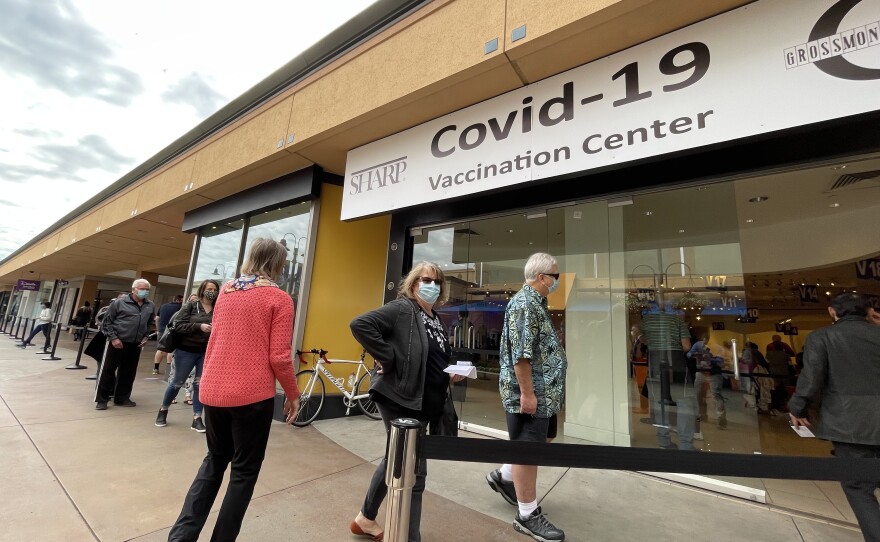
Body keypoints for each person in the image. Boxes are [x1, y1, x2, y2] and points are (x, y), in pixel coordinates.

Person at [168, 238, 299, 542]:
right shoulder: (279, 298)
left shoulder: (225, 292)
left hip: (213, 390)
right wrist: (293, 393)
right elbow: (279, 356)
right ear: (278, 264)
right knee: (243, 471)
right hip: (252, 396)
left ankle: (180, 537)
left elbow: (216, 341)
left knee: (214, 461)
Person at [349, 261, 460, 542]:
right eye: (426, 280)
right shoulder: (402, 309)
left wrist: (449, 375)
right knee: (414, 470)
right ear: (413, 284)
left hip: (424, 402)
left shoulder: (435, 318)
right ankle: (410, 538)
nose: (432, 286)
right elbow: (360, 324)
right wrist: (387, 356)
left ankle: (365, 518)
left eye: (437, 282)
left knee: (395, 459)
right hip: (400, 398)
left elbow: (431, 358)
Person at [488, 253, 567, 542]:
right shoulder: (524, 304)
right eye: (555, 276)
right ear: (543, 277)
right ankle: (527, 514)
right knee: (527, 449)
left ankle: (504, 475)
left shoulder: (537, 303)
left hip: (546, 394)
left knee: (542, 440)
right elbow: (521, 356)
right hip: (533, 394)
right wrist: (527, 394)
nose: (557, 280)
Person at [789, 293, 880, 542]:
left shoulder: (822, 337)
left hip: (849, 424)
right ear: (869, 311)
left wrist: (797, 407)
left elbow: (811, 377)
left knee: (859, 487)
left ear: (832, 312)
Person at [155, 281, 218, 432]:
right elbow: (177, 325)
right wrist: (199, 326)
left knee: (199, 384)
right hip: (186, 351)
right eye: (209, 289)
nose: (212, 292)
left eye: (215, 289)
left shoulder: (218, 308)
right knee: (178, 382)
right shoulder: (190, 306)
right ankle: (163, 410)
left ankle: (197, 418)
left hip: (206, 352)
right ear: (202, 290)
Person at [639, 298, 695, 450]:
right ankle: (685, 444)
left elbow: (641, 339)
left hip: (654, 363)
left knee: (659, 403)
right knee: (685, 403)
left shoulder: (646, 321)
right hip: (675, 362)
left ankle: (664, 441)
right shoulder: (677, 320)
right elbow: (686, 346)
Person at [94, 281, 155, 410]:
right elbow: (107, 322)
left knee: (128, 373)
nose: (145, 291)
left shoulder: (150, 305)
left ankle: (122, 398)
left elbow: (149, 324)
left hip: (136, 344)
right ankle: (102, 399)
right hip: (117, 343)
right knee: (108, 371)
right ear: (133, 289)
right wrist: (114, 338)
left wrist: (145, 336)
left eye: (147, 289)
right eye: (142, 288)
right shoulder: (119, 303)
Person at [153, 295, 183, 374]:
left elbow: (157, 318)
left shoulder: (163, 306)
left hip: (161, 330)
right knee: (171, 350)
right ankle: (168, 370)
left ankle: (155, 368)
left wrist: (158, 328)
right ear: (178, 300)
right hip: (171, 331)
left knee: (160, 349)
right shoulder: (180, 307)